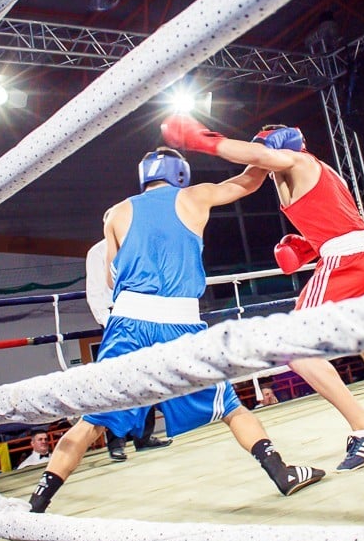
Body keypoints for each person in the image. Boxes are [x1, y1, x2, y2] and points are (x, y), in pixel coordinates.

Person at [29, 147, 324, 513]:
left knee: (93, 418)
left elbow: (110, 277)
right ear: (180, 174)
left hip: (127, 324)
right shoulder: (193, 196)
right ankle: (282, 472)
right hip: (178, 323)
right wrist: (268, 152)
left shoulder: (117, 213)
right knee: (229, 407)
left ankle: (38, 502)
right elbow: (248, 182)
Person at [162, 115, 364, 471]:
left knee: (293, 346)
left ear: (275, 147)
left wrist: (201, 140)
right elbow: (335, 218)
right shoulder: (317, 172)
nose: (258, 161)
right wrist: (309, 246)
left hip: (347, 260)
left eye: (262, 152)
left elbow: (255, 156)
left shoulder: (295, 160)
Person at [85, 213, 172, 461]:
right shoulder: (98, 251)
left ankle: (143, 437)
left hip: (146, 316)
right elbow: (95, 289)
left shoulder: (141, 246)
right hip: (119, 319)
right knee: (120, 382)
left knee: (150, 377)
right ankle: (116, 443)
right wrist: (108, 322)